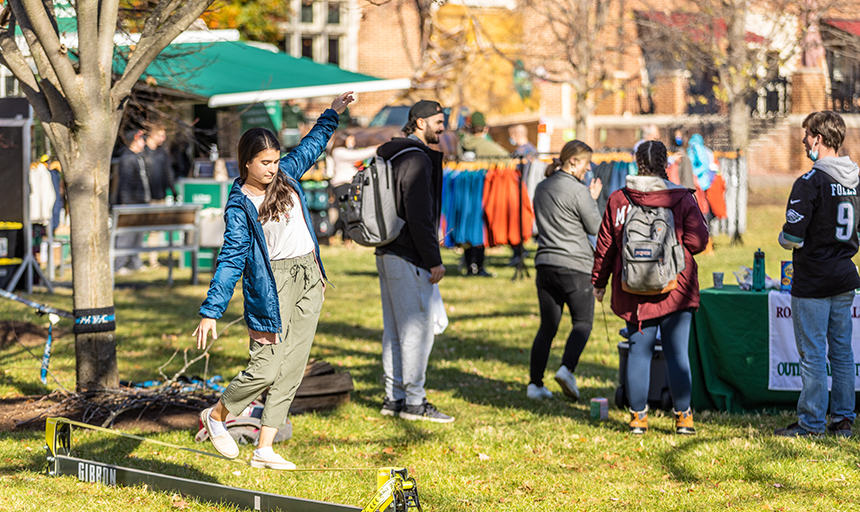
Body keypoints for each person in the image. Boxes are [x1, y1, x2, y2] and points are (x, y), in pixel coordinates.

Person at [193, 92, 354, 469]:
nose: (272, 168)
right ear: (246, 162)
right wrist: (211, 311)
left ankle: (264, 448)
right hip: (272, 287)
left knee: (293, 367)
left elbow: (313, 145)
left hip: (309, 277)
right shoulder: (240, 206)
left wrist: (333, 112)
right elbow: (231, 259)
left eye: (276, 160)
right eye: (264, 162)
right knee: (265, 367)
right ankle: (217, 415)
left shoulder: (286, 177)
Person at [592, 140, 709, 435]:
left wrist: (598, 282)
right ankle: (683, 418)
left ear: (636, 163)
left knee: (638, 352)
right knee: (677, 354)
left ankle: (638, 419)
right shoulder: (681, 198)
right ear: (664, 163)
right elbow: (698, 242)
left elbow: (605, 245)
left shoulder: (619, 199)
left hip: (632, 289)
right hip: (675, 288)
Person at [774, 111, 859, 438]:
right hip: (845, 276)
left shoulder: (810, 182)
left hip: (813, 281)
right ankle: (843, 420)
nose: (803, 140)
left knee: (812, 354)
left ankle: (811, 423)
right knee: (842, 351)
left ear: (818, 138)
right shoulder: (857, 179)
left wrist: (783, 238)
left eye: (806, 134)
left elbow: (792, 237)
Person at [376, 99, 454, 423]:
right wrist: (433, 260)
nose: (443, 127)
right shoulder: (417, 159)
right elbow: (420, 215)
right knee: (416, 330)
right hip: (409, 253)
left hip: (385, 248)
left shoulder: (389, 152)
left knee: (394, 329)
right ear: (419, 122)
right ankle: (414, 402)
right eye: (438, 121)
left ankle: (394, 397)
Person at [527, 140, 602, 401]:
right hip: (575, 265)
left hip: (545, 263)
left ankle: (535, 384)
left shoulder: (541, 187)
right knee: (582, 321)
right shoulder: (579, 191)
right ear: (573, 162)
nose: (589, 168)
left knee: (547, 327)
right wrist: (592, 199)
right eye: (586, 163)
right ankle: (567, 369)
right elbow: (595, 227)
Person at [459, 111, 508, 277]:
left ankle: (467, 263)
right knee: (479, 228)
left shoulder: (461, 144)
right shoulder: (487, 145)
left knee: (465, 226)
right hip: (481, 191)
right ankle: (478, 266)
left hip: (461, 190)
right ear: (484, 128)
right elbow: (507, 159)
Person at [330, 135, 379, 243]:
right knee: (346, 212)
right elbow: (358, 155)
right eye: (351, 140)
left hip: (349, 184)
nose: (353, 142)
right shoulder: (339, 152)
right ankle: (344, 238)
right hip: (341, 185)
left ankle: (336, 236)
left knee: (346, 211)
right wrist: (376, 148)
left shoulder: (344, 152)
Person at [114, 129, 150, 274]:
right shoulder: (127, 159)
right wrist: (125, 201)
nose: (144, 142)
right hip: (131, 202)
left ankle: (134, 262)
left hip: (141, 201)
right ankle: (119, 264)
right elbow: (125, 182)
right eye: (141, 139)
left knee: (138, 234)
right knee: (126, 234)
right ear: (134, 141)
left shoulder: (139, 158)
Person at [143, 122, 178, 267]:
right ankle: (133, 260)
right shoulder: (142, 152)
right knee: (141, 229)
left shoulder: (162, 152)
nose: (163, 138)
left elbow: (168, 172)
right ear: (152, 134)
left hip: (160, 196)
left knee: (155, 230)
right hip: (145, 197)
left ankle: (153, 260)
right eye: (160, 135)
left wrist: (174, 191)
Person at [508, 124, 538, 265]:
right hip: (533, 189)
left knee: (517, 221)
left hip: (522, 190)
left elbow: (522, 175)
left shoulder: (520, 153)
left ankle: (518, 252)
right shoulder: (533, 150)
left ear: (515, 135)